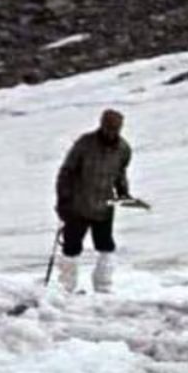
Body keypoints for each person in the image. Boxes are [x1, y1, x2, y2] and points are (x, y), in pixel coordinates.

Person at [53, 108, 133, 294]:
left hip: (104, 206)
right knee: (71, 247)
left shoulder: (123, 149)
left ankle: (103, 287)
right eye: (107, 127)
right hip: (77, 205)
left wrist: (123, 192)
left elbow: (120, 173)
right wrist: (63, 200)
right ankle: (67, 288)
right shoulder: (85, 144)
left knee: (106, 246)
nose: (110, 131)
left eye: (115, 128)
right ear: (101, 124)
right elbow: (66, 172)